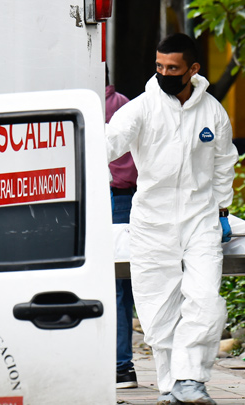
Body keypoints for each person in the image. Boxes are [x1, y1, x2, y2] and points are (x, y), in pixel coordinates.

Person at [106, 33, 238, 405]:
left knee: (205, 299)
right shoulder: (142, 108)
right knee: (157, 308)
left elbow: (223, 163)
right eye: (160, 67)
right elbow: (109, 141)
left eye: (173, 68)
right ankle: (172, 386)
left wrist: (223, 210)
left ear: (193, 69)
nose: (164, 73)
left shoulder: (213, 111)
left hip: (200, 219)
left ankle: (191, 379)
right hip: (152, 220)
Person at [105, 66, 139, 389]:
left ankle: (119, 365)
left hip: (108, 200)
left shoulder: (91, 108)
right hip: (127, 200)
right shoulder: (126, 105)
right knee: (123, 286)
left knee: (110, 285)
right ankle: (122, 365)